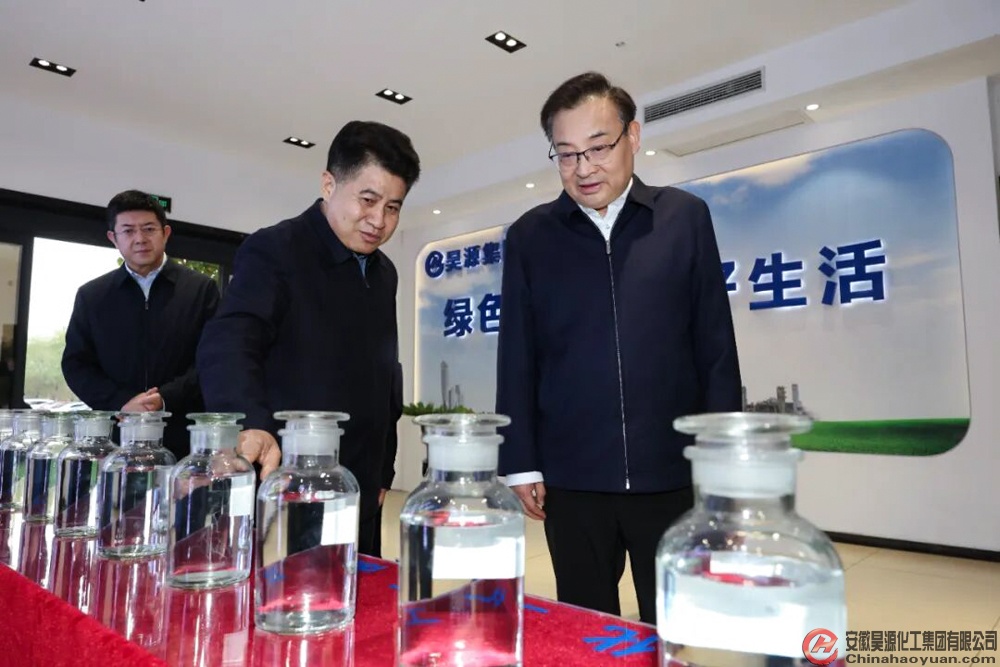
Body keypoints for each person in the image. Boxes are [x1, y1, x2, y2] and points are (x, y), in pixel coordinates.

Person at [496, 72, 742, 624]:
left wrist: (724, 459)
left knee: (678, 619)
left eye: (598, 147)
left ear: (633, 136)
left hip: (671, 473)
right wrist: (520, 463)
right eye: (566, 154)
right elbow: (517, 355)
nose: (583, 168)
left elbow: (715, 346)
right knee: (586, 625)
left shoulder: (683, 218)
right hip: (572, 478)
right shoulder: (531, 236)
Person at [196, 120, 418, 558]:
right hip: (290, 479)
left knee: (355, 587)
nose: (379, 221)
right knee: (291, 590)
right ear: (329, 184)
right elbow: (230, 341)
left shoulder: (384, 273)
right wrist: (251, 422)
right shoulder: (275, 249)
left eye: (393, 207)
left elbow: (384, 377)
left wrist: (383, 472)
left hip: (360, 484)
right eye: (368, 200)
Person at [62, 190, 221, 459]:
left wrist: (164, 399)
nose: (140, 239)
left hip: (185, 438)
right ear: (113, 238)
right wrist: (122, 403)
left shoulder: (201, 289)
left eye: (148, 229)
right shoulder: (92, 296)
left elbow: (213, 358)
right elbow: (76, 364)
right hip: (115, 438)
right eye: (128, 231)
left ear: (165, 233)